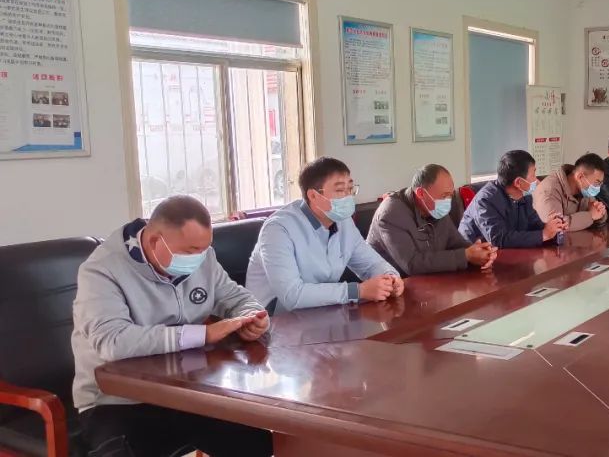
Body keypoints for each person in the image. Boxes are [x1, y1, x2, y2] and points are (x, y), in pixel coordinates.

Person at [72, 195, 272, 457]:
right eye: (190, 252)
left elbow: (236, 297)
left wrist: (253, 318)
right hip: (116, 400)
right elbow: (113, 342)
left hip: (187, 391)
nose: (199, 258)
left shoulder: (203, 257)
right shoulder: (102, 270)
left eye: (204, 249)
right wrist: (203, 334)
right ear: (155, 241)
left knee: (257, 444)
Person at [246, 157, 403, 312]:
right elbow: (292, 295)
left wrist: (391, 278)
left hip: (320, 310)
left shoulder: (343, 221)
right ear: (313, 196)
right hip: (273, 317)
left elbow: (370, 263)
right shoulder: (278, 229)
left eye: (350, 189)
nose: (348, 196)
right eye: (340, 190)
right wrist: (357, 291)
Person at [368, 163, 497, 276]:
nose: (448, 201)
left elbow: (456, 242)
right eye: (444, 196)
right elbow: (412, 264)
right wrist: (466, 256)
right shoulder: (391, 214)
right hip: (390, 285)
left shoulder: (435, 208)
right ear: (421, 193)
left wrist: (480, 252)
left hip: (431, 280)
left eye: (450, 195)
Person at [458, 150, 567, 248]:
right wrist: (544, 234)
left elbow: (534, 226)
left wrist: (554, 228)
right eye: (533, 175)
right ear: (518, 182)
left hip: (510, 253)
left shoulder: (525, 196)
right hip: (476, 256)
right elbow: (499, 239)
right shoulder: (485, 201)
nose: (537, 181)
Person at [534, 152, 608, 232]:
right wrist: (590, 216)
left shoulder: (584, 189)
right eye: (596, 183)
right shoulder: (549, 191)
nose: (598, 187)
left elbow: (596, 214)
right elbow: (556, 227)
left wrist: (601, 213)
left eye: (600, 183)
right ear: (580, 177)